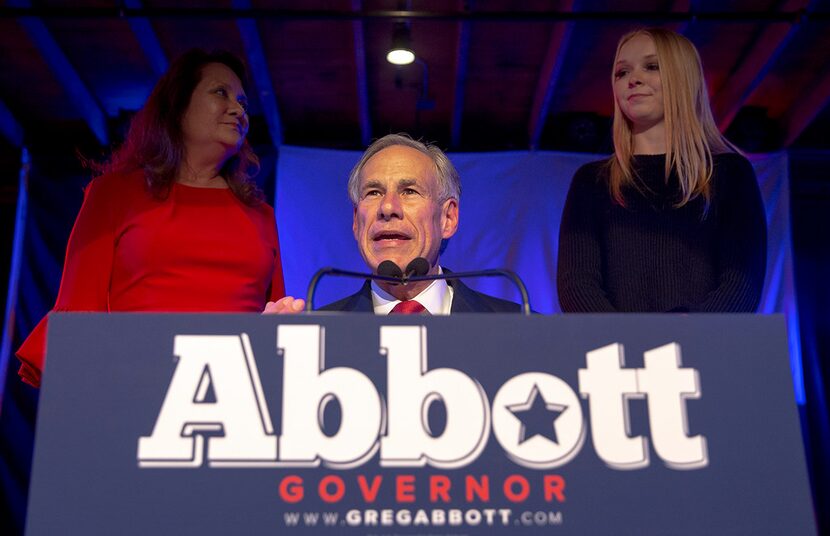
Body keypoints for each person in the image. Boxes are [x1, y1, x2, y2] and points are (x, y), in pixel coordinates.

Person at [16, 49, 286, 387]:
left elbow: (276, 318)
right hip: (131, 386)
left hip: (235, 392)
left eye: (244, 103)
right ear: (177, 105)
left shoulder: (261, 215)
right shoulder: (114, 193)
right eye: (221, 93)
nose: (238, 109)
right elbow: (79, 312)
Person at [557, 28, 767, 313]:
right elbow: (577, 285)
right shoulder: (592, 182)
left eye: (652, 66)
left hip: (704, 352)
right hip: (613, 353)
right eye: (622, 72)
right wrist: (626, 341)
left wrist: (678, 338)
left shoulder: (730, 174)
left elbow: (741, 284)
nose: (634, 79)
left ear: (684, 78)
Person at [269, 134, 520, 314]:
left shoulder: (520, 329)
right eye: (373, 193)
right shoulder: (316, 338)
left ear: (448, 218)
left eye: (409, 191)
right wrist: (268, 358)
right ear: (356, 221)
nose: (387, 208)